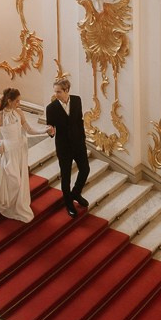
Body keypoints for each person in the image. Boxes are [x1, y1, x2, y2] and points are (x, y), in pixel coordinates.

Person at [0, 88, 52, 223]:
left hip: (19, 150)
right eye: (17, 101)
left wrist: (44, 130)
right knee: (12, 179)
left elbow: (29, 129)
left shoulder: (19, 113)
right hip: (8, 151)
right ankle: (6, 202)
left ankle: (16, 203)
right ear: (9, 101)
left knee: (18, 179)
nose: (19, 104)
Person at [45, 77, 90, 218]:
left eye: (58, 92)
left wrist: (82, 138)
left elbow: (79, 121)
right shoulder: (51, 108)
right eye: (55, 92)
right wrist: (51, 132)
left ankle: (76, 192)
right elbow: (50, 127)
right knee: (65, 176)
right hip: (64, 146)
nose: (56, 94)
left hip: (78, 144)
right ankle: (68, 203)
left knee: (85, 169)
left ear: (67, 90)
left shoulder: (77, 100)